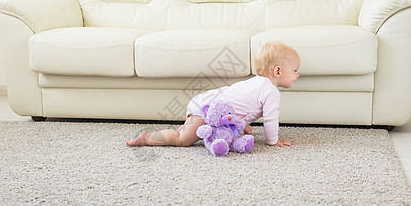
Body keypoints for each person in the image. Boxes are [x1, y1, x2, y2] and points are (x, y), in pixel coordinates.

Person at [126, 41, 300, 148]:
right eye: (295, 70)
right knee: (182, 140)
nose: (297, 75)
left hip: (205, 102)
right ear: (277, 71)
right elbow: (270, 120)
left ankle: (188, 127)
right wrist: (273, 141)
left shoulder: (256, 83)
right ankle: (148, 138)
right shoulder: (271, 91)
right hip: (206, 111)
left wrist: (244, 125)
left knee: (191, 131)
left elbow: (242, 105)